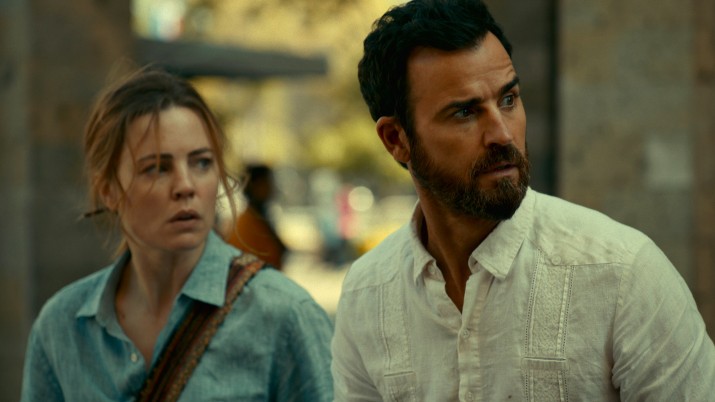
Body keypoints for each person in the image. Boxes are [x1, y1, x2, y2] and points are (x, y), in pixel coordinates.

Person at [331, 0, 715, 400]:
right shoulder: (368, 294)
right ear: (396, 139)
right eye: (464, 113)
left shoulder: (622, 275)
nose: (502, 133)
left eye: (508, 99)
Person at [21, 68, 333, 401]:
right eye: (157, 167)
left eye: (201, 163)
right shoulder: (62, 327)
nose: (185, 186)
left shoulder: (284, 316)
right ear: (109, 190)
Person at [225, 163, 288, 269]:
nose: (271, 188)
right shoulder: (245, 225)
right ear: (255, 186)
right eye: (267, 183)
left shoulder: (259, 220)